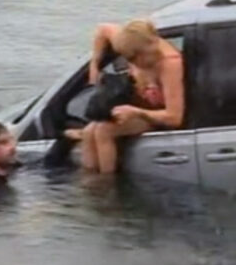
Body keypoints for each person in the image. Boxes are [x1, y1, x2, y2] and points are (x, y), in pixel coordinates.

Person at [68, 19, 184, 174]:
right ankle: (90, 181)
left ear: (147, 51)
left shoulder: (170, 65)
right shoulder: (132, 39)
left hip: (156, 116)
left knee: (103, 130)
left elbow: (174, 117)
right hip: (135, 107)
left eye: (134, 59)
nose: (132, 63)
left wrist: (136, 112)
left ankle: (106, 183)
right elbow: (103, 29)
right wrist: (94, 64)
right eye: (128, 59)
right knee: (90, 131)